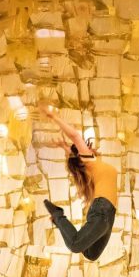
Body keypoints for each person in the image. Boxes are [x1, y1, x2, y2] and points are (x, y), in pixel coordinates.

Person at [40, 104, 118, 261]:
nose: (88, 147)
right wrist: (54, 117)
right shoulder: (90, 161)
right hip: (102, 210)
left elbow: (74, 154)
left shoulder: (93, 166)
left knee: (91, 254)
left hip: (109, 213)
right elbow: (75, 136)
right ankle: (58, 215)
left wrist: (65, 148)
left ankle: (59, 221)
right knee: (76, 245)